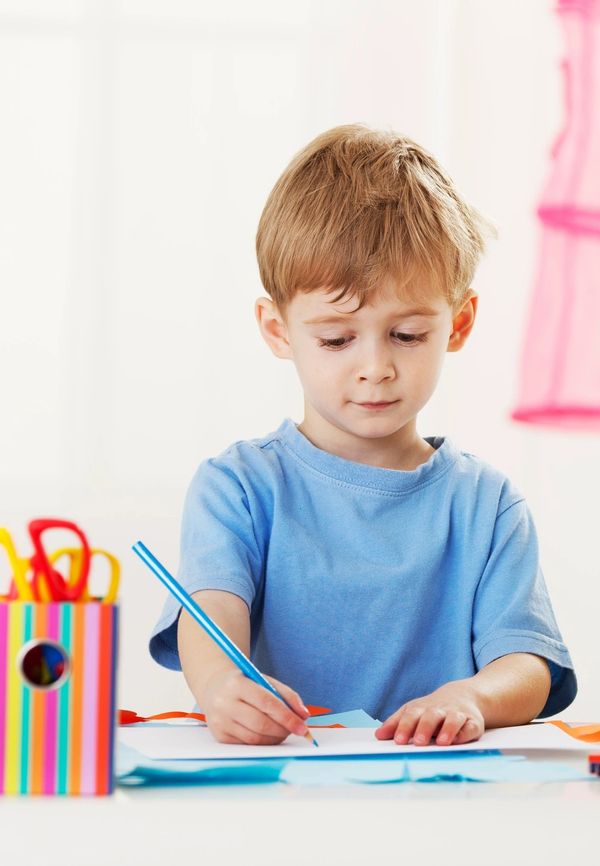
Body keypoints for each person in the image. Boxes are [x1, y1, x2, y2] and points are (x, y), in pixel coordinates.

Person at [150, 124, 575, 746]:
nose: (375, 366)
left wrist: (473, 696)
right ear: (277, 330)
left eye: (407, 335)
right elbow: (211, 613)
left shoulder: (487, 505)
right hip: (280, 794)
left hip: (435, 801)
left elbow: (528, 666)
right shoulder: (237, 487)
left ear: (458, 323)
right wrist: (220, 686)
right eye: (336, 339)